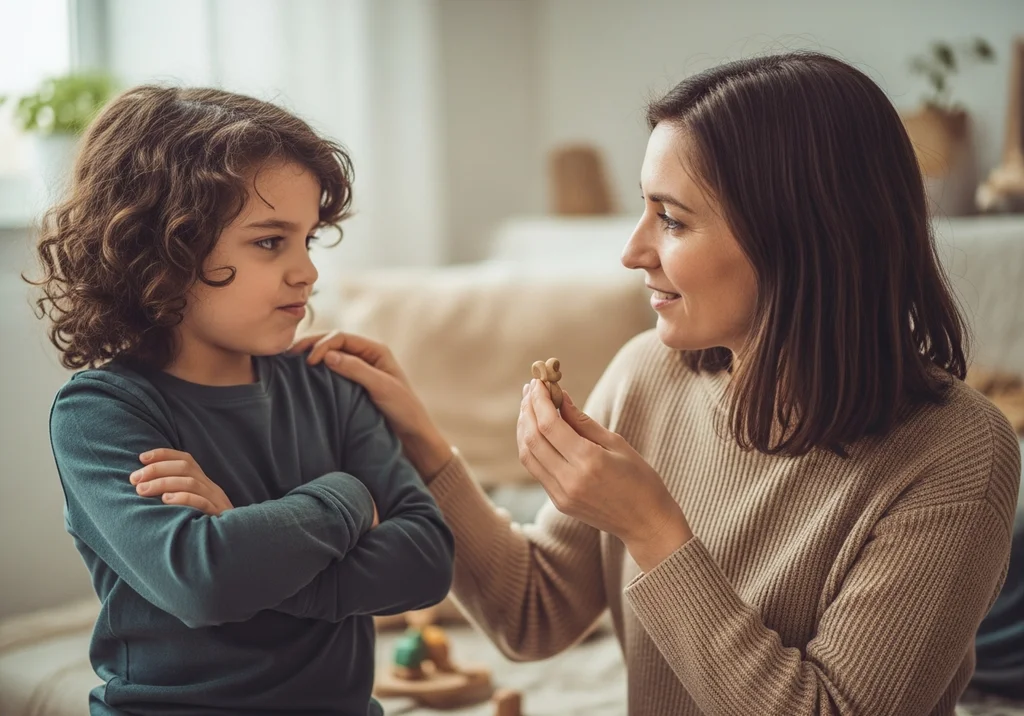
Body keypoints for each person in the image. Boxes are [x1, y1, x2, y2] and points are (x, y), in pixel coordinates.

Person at [292, 52, 1021, 715]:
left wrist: (651, 528)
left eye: (670, 220)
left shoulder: (957, 451)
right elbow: (531, 610)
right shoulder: (647, 374)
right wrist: (416, 443)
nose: (632, 251)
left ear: (796, 237)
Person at [30, 85, 454, 716]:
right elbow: (204, 582)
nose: (306, 271)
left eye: (308, 239)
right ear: (165, 249)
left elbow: (425, 560)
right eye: (269, 241)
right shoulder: (100, 413)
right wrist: (348, 495)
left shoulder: (330, 383)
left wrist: (250, 546)